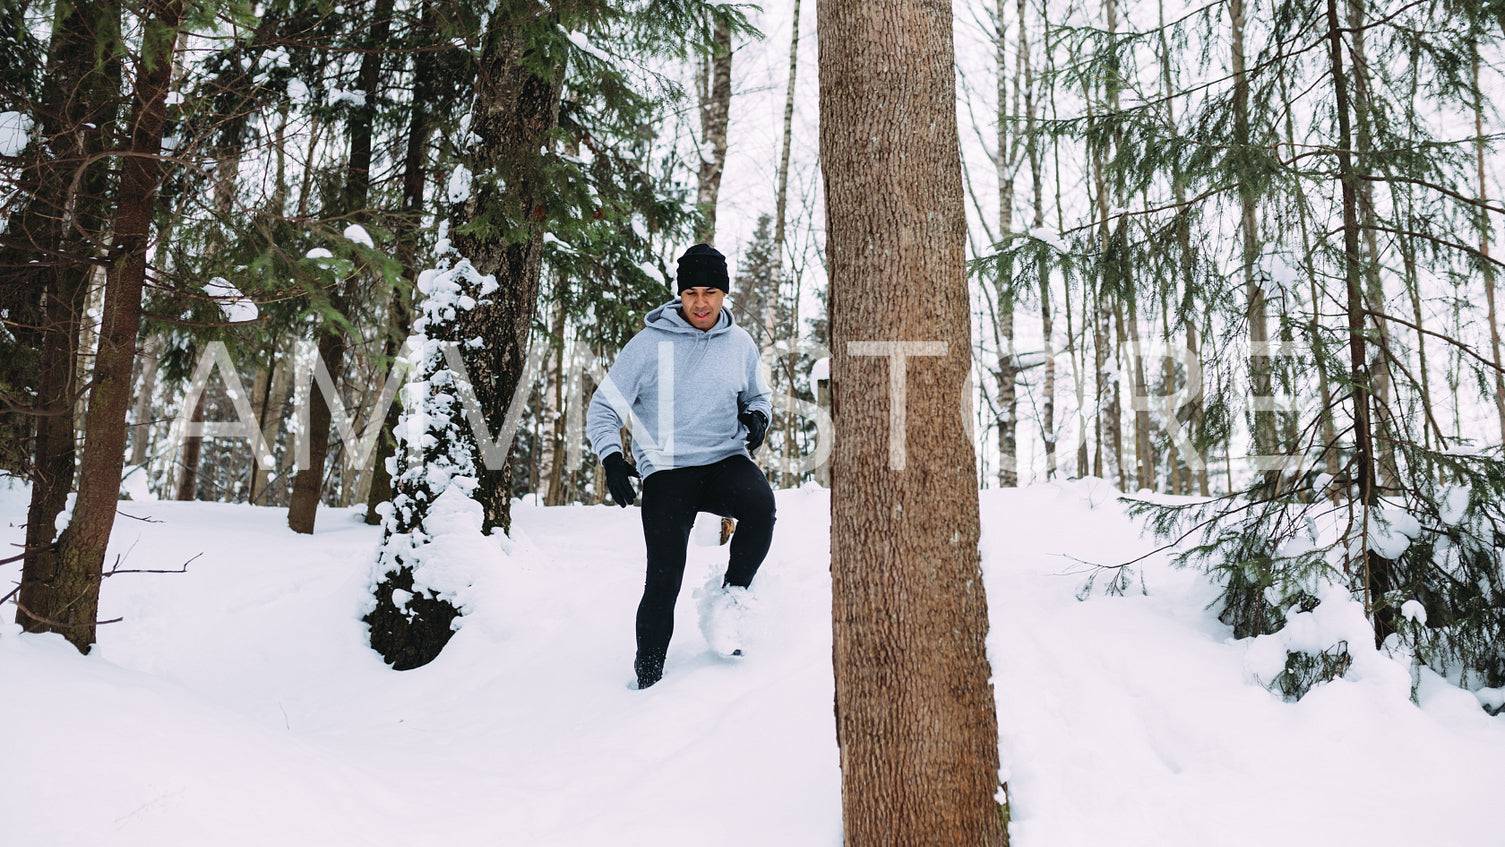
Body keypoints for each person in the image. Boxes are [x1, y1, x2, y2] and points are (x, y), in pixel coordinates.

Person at [586, 243, 776, 690]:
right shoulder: (649, 345)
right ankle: (647, 678)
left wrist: (758, 417)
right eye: (691, 292)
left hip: (724, 459)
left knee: (761, 508)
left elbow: (758, 396)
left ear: (724, 294)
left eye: (710, 291)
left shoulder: (740, 343)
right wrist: (612, 459)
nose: (701, 302)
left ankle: (730, 607)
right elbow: (603, 409)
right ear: (680, 295)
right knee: (665, 575)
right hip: (668, 471)